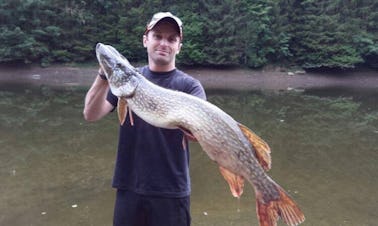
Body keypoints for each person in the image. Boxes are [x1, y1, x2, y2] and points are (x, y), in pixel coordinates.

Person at [83, 12, 206, 226]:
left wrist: (195, 131)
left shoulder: (190, 87)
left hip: (171, 192)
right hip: (129, 187)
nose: (163, 43)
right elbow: (91, 114)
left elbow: (200, 133)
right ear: (145, 40)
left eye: (171, 39)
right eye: (157, 36)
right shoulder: (126, 81)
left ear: (179, 47)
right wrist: (104, 75)